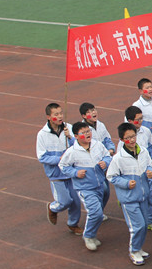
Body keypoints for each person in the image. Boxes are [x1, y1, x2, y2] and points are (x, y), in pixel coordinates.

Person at [58, 121, 112, 251]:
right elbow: (63, 166)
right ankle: (88, 236)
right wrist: (75, 173)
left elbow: (107, 156)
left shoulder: (97, 145)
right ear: (76, 136)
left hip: (99, 184)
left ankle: (92, 235)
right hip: (85, 188)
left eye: (88, 131)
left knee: (98, 213)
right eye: (83, 133)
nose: (87, 134)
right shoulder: (72, 152)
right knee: (95, 212)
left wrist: (105, 162)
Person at [107, 122, 152, 265]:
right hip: (129, 199)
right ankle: (133, 251)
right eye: (128, 138)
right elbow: (111, 176)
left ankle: (139, 248)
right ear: (122, 140)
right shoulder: (118, 158)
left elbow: (149, 164)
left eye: (133, 136)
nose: (132, 140)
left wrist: (150, 171)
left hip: (143, 196)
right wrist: (126, 183)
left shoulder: (143, 151)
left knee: (144, 224)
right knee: (137, 226)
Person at [38, 103, 82, 235]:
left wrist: (71, 138)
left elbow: (79, 146)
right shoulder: (42, 134)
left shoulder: (69, 128)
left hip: (70, 172)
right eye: (56, 114)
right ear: (48, 117)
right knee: (64, 201)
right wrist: (60, 159)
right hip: (56, 174)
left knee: (76, 202)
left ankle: (73, 224)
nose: (60, 116)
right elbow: (42, 157)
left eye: (61, 113)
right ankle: (52, 208)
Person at [123, 106, 152, 232]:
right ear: (130, 121)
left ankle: (150, 220)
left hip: (146, 170)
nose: (140, 121)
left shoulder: (146, 131)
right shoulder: (125, 137)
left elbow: (151, 147)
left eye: (141, 118)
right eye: (137, 119)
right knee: (137, 198)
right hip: (133, 173)